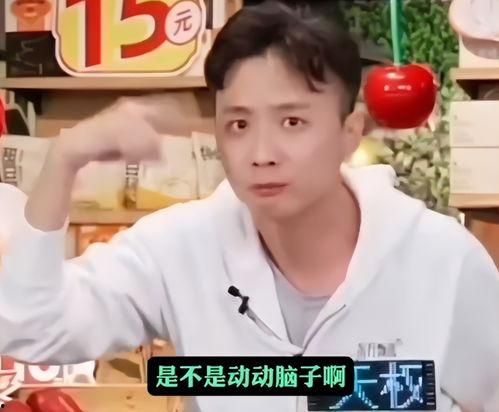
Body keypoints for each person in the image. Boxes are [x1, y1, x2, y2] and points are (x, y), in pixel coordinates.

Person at [0, 2, 498, 411]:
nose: (261, 154)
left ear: (350, 132)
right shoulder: (177, 249)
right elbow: (31, 330)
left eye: (292, 122)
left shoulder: (442, 261)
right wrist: (63, 159)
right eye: (238, 125)